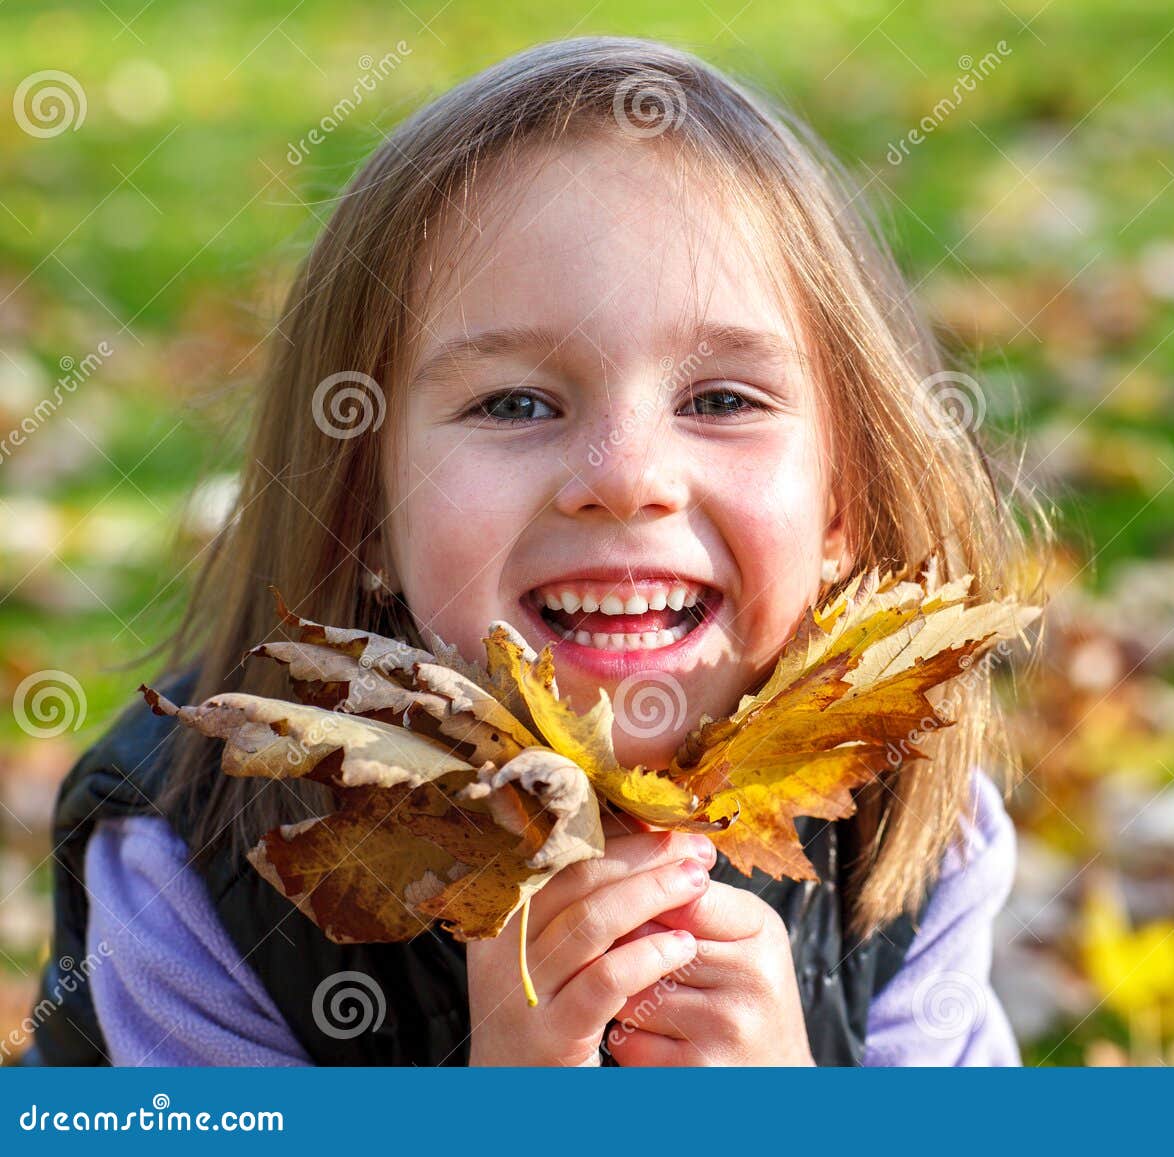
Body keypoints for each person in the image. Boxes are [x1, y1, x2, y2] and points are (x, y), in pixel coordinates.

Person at [33, 35, 1047, 1068]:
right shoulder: (199, 860)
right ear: (365, 507)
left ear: (846, 502)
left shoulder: (908, 828)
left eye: (721, 400)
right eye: (514, 403)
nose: (623, 475)